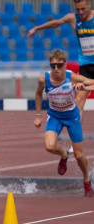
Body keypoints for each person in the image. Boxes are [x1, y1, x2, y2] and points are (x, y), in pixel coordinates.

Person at [34, 49, 93, 197]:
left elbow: (91, 82)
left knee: (79, 156)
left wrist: (84, 87)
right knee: (49, 146)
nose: (56, 69)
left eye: (59, 65)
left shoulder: (72, 77)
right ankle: (64, 154)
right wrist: (38, 115)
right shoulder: (44, 79)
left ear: (65, 65)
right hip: (55, 116)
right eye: (53, 65)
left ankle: (86, 180)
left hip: (72, 117)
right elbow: (38, 94)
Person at [27, 0, 94, 124]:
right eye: (78, 9)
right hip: (85, 65)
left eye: (83, 9)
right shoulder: (74, 18)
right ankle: (76, 138)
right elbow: (56, 23)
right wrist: (37, 28)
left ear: (89, 4)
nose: (80, 12)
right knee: (79, 100)